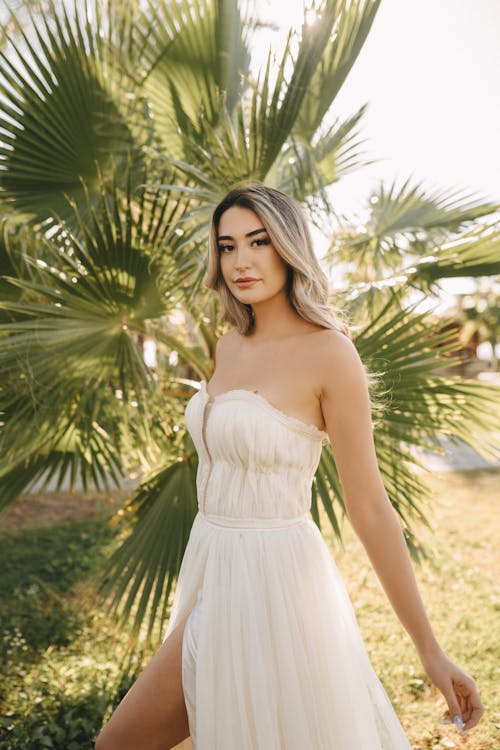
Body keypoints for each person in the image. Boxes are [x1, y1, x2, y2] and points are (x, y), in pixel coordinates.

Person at [95, 184, 484, 750]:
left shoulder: (330, 353)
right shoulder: (230, 344)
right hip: (213, 564)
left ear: (288, 247)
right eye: (227, 246)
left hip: (273, 580)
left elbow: (370, 506)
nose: (240, 261)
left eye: (258, 241)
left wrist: (429, 648)